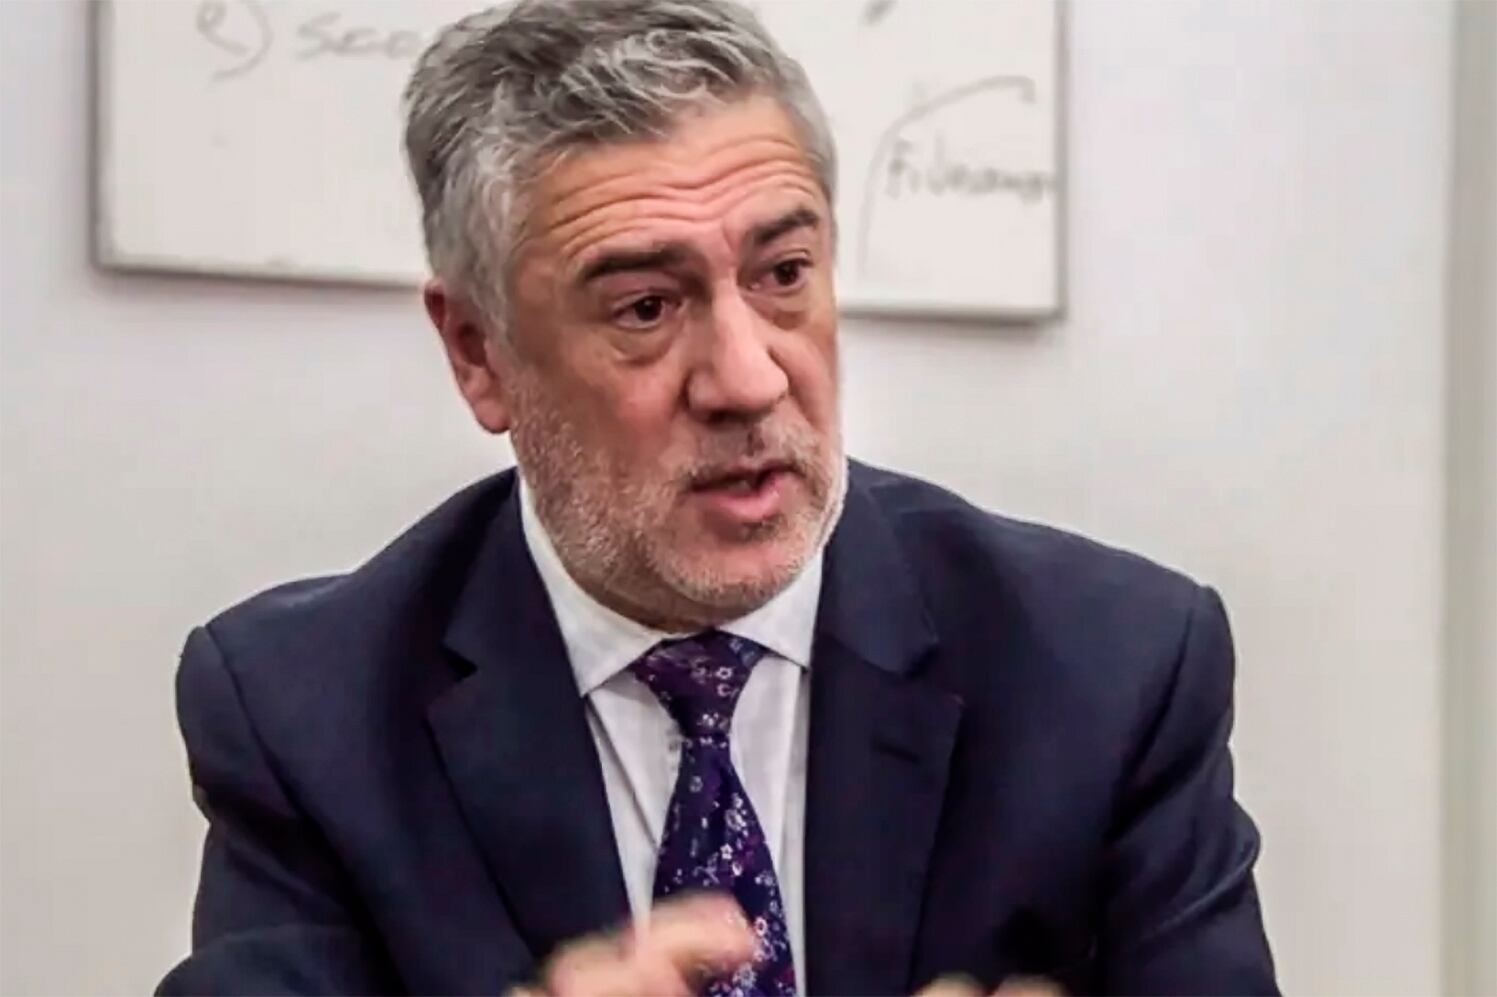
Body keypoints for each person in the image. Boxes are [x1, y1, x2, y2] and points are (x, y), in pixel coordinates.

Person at [158, 1, 1277, 994]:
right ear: (478, 353)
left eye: (783, 275)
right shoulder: (308, 714)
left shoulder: (1109, 669)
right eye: (646, 306)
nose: (748, 379)